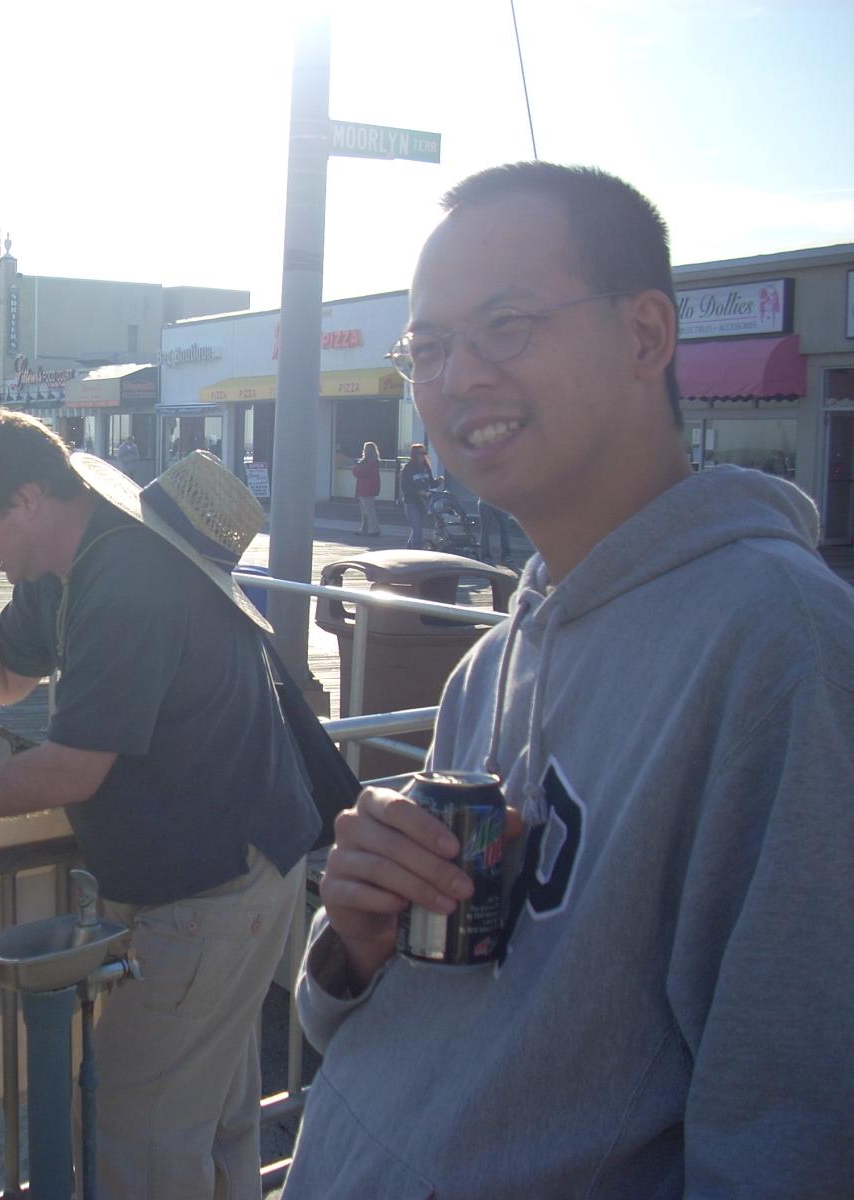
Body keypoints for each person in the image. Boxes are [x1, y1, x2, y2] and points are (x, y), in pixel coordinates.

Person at [284, 162, 854, 1197]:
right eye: (428, 348)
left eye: (505, 326)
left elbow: (791, 1131)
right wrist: (353, 942)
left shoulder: (783, 647)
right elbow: (350, 1024)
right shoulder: (486, 668)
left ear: (645, 335)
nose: (458, 378)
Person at [0, 408, 322, 1199]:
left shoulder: (125, 579)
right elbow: (3, 675)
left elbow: (70, 771)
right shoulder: (68, 563)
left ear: (27, 499)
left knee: (134, 1134)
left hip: (211, 888)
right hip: (220, 875)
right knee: (210, 1122)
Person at [398, 442, 436, 548]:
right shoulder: (408, 468)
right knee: (417, 530)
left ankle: (410, 549)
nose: (423, 456)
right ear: (414, 455)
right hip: (411, 503)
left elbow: (431, 483)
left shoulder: (426, 467)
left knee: (416, 529)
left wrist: (439, 481)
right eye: (420, 453)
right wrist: (419, 492)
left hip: (423, 503)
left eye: (424, 453)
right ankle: (416, 551)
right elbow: (405, 488)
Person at [351, 442, 383, 537]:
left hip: (365, 488)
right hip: (370, 488)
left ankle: (374, 529)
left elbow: (360, 472)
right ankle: (365, 529)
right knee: (366, 510)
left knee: (368, 510)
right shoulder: (374, 461)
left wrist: (354, 468)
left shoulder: (368, 462)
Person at [477, 497, 513, 563]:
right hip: (486, 502)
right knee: (485, 531)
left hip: (501, 502)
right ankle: (485, 556)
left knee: (505, 530)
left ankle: (505, 556)